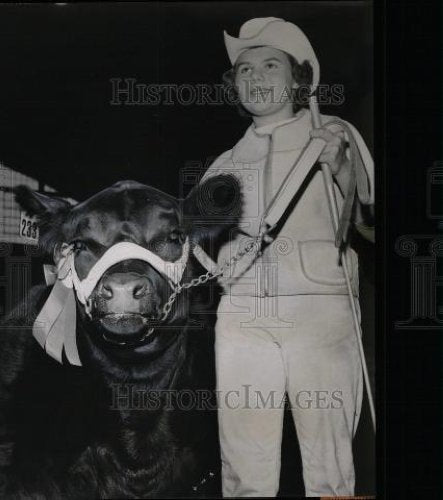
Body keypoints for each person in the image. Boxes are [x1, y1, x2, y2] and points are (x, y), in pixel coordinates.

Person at [200, 17, 374, 497]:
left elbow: (370, 222)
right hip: (242, 315)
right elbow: (188, 236)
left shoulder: (334, 134)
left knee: (329, 459)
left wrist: (342, 170)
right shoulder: (224, 161)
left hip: (318, 307)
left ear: (298, 77)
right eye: (243, 70)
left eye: (269, 65)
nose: (254, 77)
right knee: (243, 461)